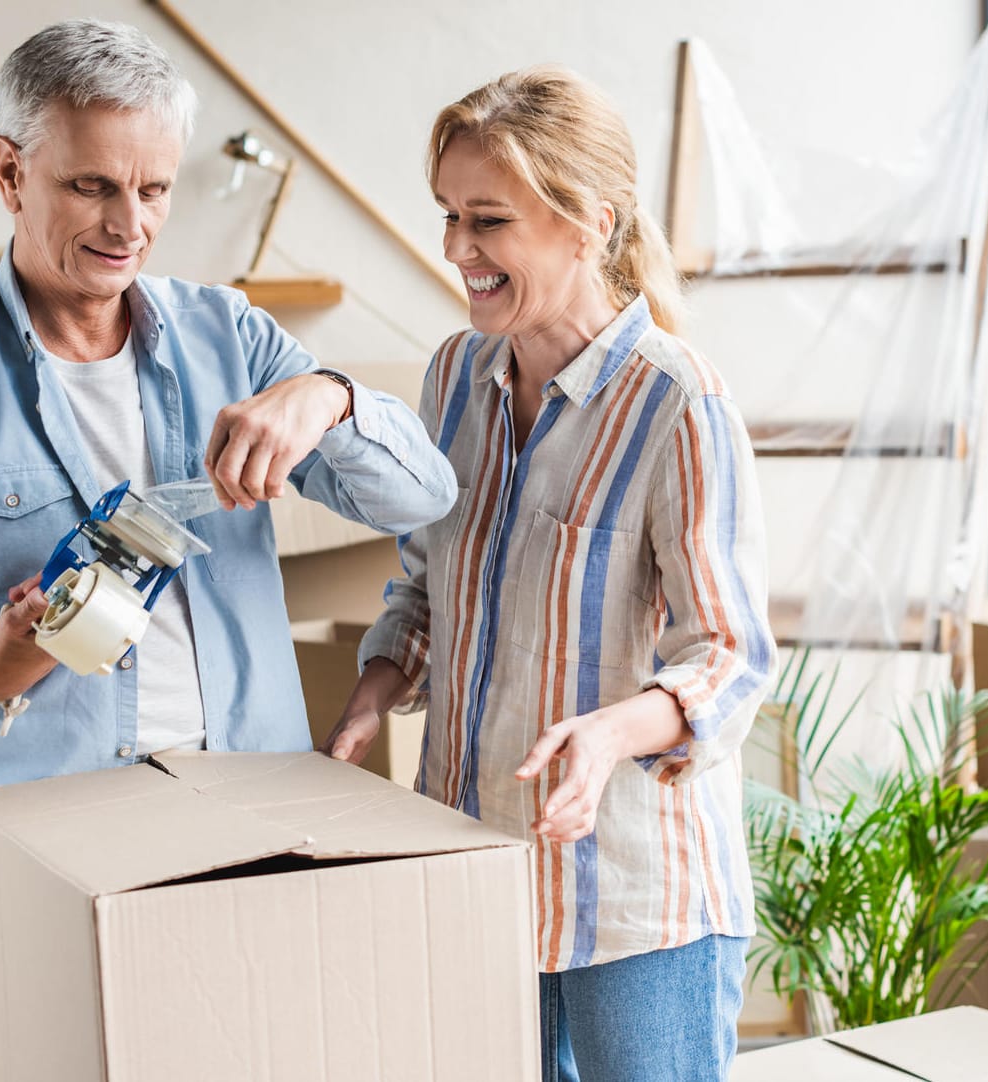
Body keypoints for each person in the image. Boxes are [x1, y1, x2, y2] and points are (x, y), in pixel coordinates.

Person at [0, 20, 455, 1081]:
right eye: (91, 186)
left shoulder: (236, 337)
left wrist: (327, 397)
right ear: (9, 169)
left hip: (245, 850)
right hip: (23, 878)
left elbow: (423, 492)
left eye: (154, 190)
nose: (129, 224)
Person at [324, 66, 775, 1081]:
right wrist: (380, 685)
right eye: (448, 215)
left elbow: (731, 656)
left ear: (586, 224)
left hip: (634, 908)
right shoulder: (453, 376)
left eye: (488, 220)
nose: (455, 250)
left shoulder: (678, 403)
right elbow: (428, 582)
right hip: (475, 876)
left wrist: (611, 731)